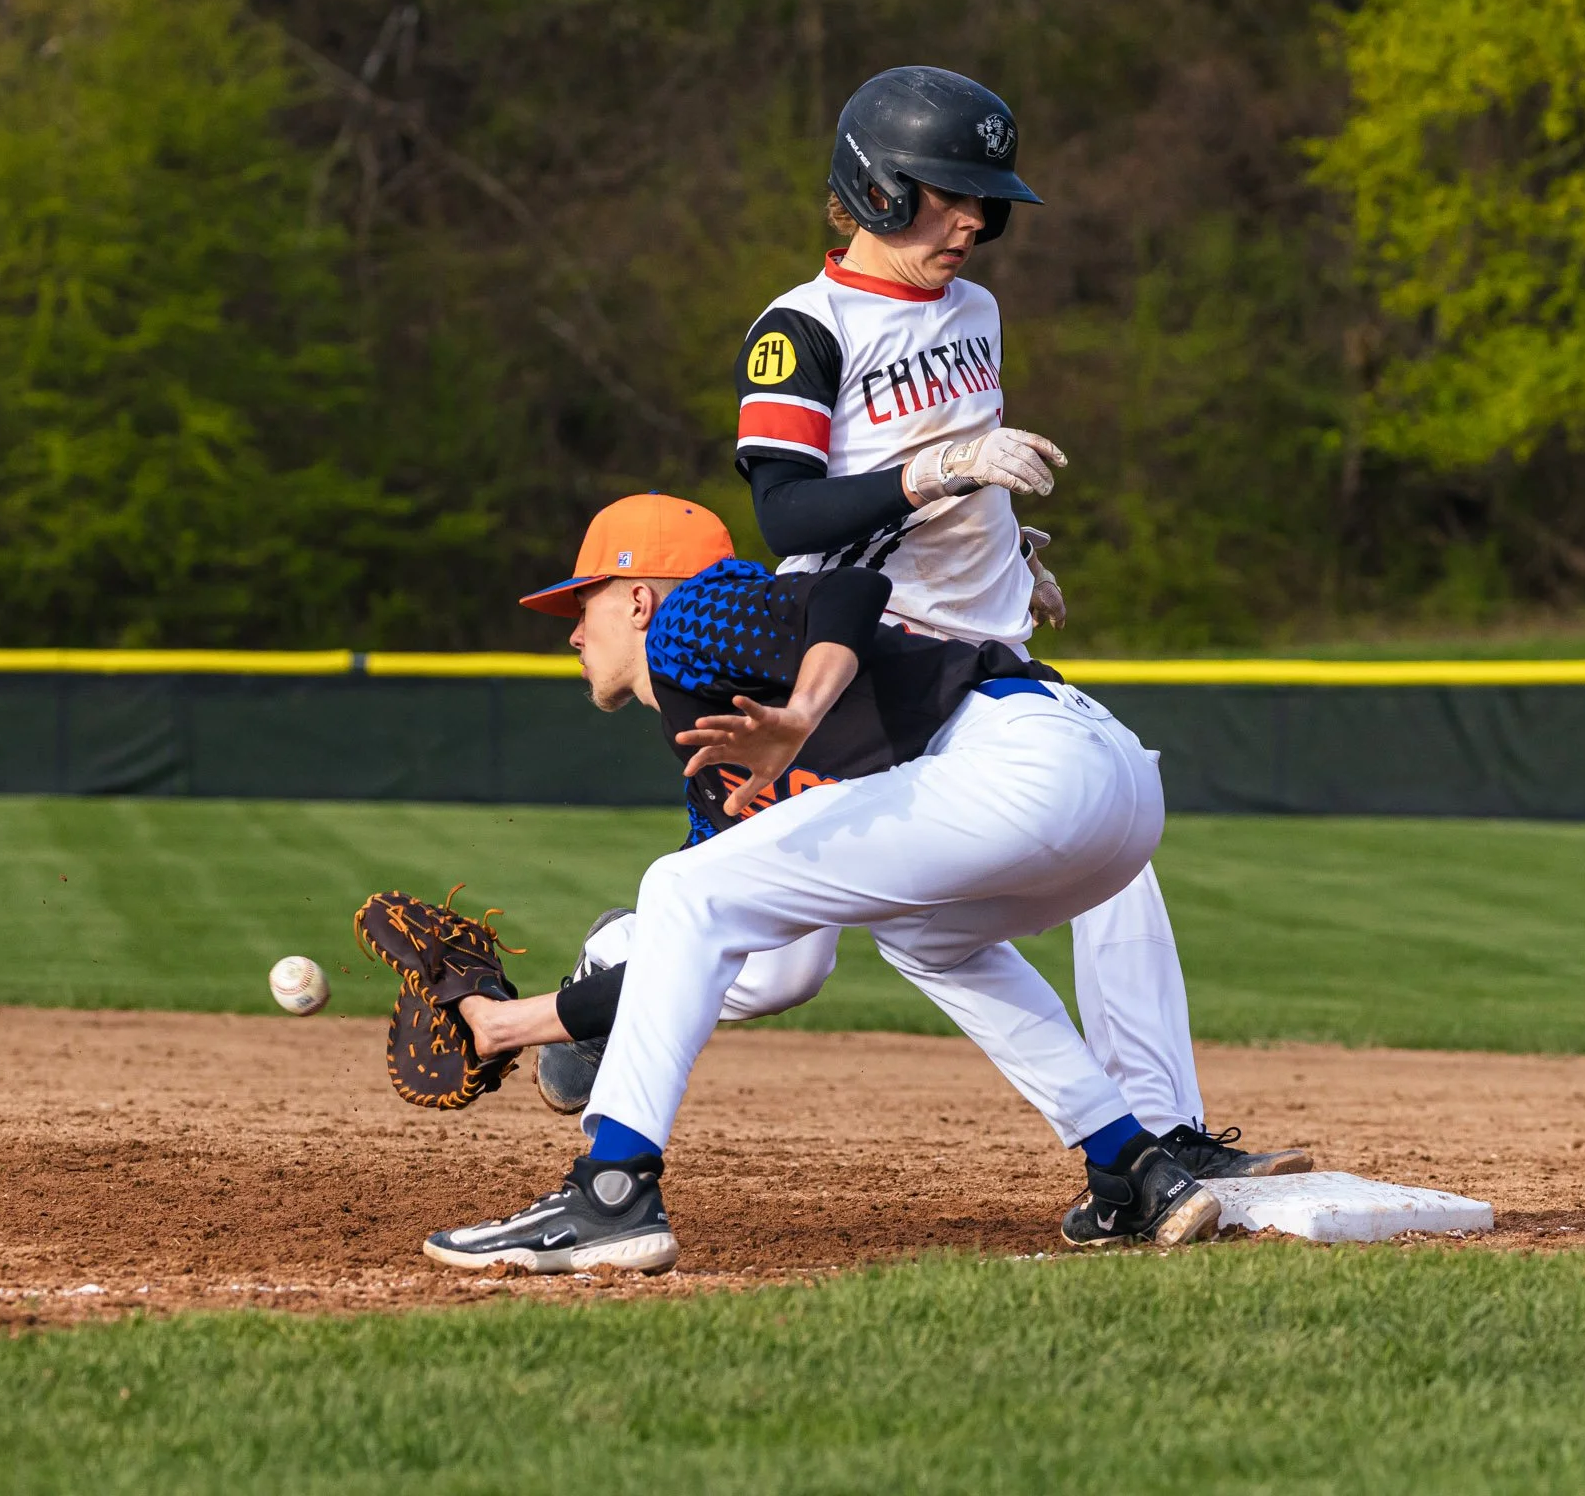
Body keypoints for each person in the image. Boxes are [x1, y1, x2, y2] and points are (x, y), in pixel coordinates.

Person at [725, 65, 1308, 1224]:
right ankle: (607, 975)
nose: (971, 221)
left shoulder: (974, 312)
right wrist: (939, 471)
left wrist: (1005, 545)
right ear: (877, 187)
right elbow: (787, 517)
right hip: (865, 647)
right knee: (783, 958)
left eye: (983, 202)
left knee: (1109, 844)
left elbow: (958, 470)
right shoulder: (801, 329)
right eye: (947, 194)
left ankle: (1158, 1133)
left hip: (973, 650)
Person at [422, 494, 1222, 1272]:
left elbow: (849, 590)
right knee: (921, 937)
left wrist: (803, 712)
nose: (572, 633)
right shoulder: (716, 751)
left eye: (582, 603)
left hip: (1023, 757)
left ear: (638, 600)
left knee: (680, 887)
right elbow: (749, 966)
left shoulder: (685, 620)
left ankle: (611, 1192)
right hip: (1107, 788)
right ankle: (1133, 1169)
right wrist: (506, 1025)